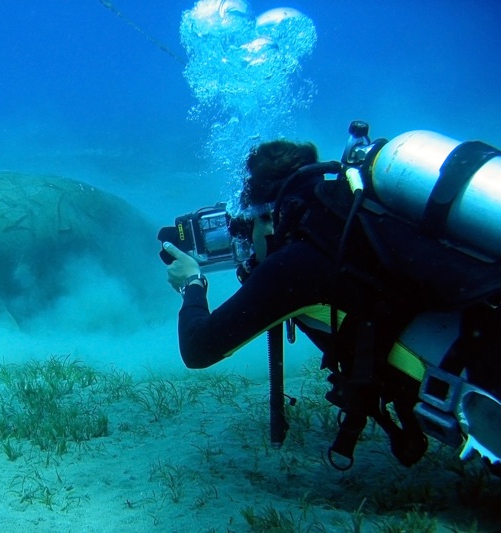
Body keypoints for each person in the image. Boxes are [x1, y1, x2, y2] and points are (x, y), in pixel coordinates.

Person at [161, 139, 431, 469]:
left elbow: (198, 348)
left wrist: (192, 283)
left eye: (252, 222)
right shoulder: (351, 223)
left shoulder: (296, 265)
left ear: (272, 217)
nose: (246, 237)